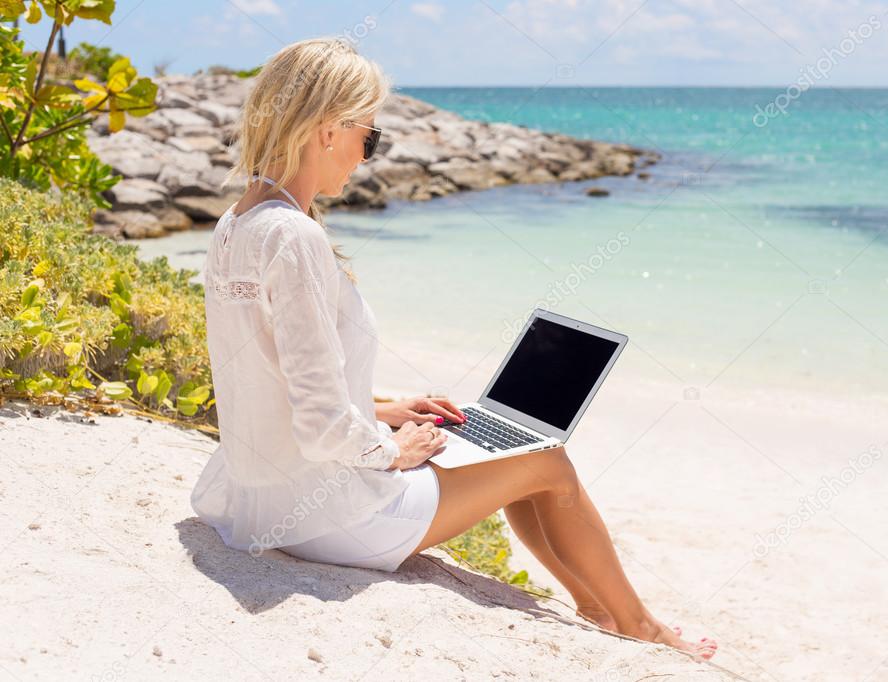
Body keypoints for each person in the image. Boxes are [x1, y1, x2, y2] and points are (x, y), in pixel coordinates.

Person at [191, 36, 717, 660]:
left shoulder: (237, 223)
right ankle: (638, 625)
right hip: (321, 517)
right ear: (328, 130)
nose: (367, 154)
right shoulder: (293, 235)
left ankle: (598, 606)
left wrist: (382, 410)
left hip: (252, 496)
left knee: (515, 458)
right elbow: (319, 427)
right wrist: (392, 450)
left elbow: (267, 371)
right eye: (370, 135)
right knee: (548, 463)